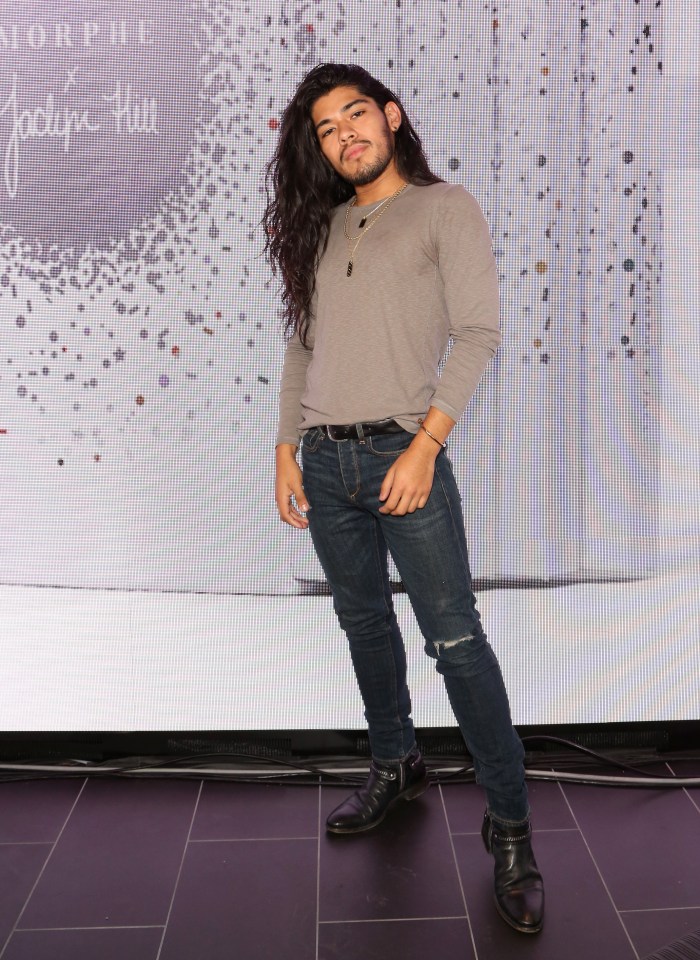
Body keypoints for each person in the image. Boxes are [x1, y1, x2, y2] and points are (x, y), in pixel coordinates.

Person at [264, 62, 544, 935]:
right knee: (364, 626)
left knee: (456, 641)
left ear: (391, 116)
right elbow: (303, 348)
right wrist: (284, 447)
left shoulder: (443, 208)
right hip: (326, 464)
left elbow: (479, 332)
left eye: (356, 117)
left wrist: (426, 444)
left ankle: (511, 829)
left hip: (403, 454)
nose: (345, 137)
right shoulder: (323, 226)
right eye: (326, 131)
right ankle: (396, 764)